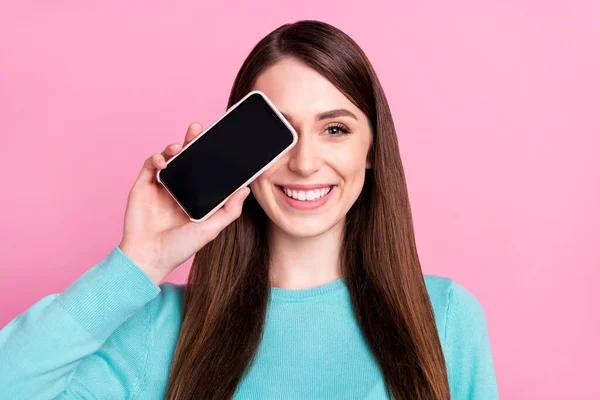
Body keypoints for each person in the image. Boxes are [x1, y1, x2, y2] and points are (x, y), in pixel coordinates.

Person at [0, 20, 498, 400]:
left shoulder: (446, 319)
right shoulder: (159, 326)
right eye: (280, 132)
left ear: (371, 152)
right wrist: (139, 262)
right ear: (239, 149)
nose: (304, 163)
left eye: (336, 129)